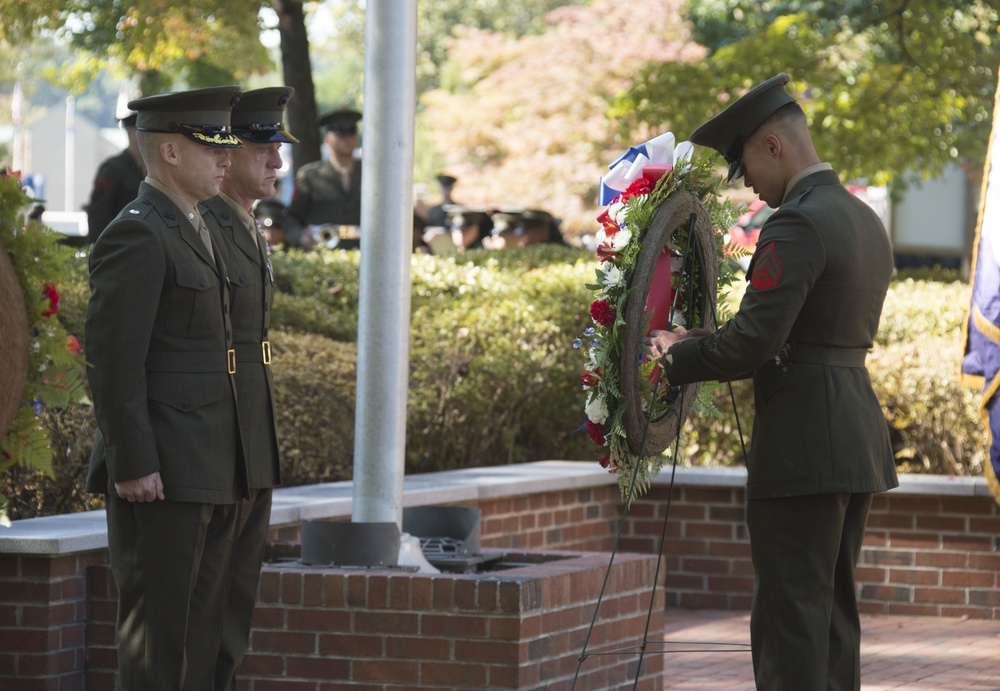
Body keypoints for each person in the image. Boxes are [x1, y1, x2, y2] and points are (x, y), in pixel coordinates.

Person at [644, 73, 898, 691]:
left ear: (772, 145)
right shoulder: (862, 219)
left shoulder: (797, 223)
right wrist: (707, 342)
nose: (750, 186)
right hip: (852, 432)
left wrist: (674, 359)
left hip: (804, 441)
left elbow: (754, 343)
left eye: (747, 167)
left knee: (790, 623)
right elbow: (799, 333)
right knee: (831, 617)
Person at [84, 85, 247, 691]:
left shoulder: (197, 225)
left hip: (207, 462)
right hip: (160, 475)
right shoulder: (138, 233)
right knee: (158, 642)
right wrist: (133, 462)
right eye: (213, 147)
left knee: (198, 642)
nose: (227, 159)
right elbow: (113, 362)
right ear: (171, 152)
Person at [198, 86, 294, 690]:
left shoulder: (246, 224)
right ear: (229, 154)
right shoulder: (204, 223)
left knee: (235, 601)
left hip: (249, 431)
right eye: (266, 148)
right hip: (212, 434)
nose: (277, 163)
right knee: (203, 605)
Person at [283, 106, 362, 249]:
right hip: (323, 257)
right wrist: (301, 237)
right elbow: (291, 218)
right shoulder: (310, 176)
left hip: (366, 255)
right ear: (327, 139)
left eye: (351, 132)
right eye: (339, 133)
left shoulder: (370, 174)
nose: (346, 138)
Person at [84, 112, 145, 243]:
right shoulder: (113, 168)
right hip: (116, 243)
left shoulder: (148, 169)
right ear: (131, 134)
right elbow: (98, 213)